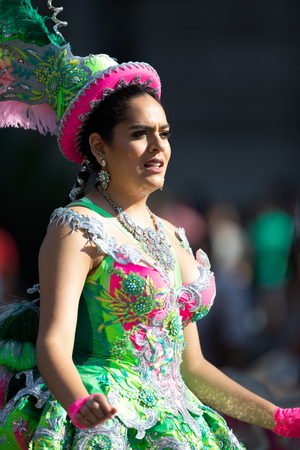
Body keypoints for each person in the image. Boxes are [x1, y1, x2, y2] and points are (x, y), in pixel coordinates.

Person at [0, 1, 299, 448]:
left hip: (179, 424)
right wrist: (81, 405)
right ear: (100, 148)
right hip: (106, 426)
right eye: (140, 134)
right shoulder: (77, 227)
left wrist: (279, 418)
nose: (158, 147)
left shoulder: (171, 234)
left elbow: (193, 369)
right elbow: (53, 346)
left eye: (165, 133)